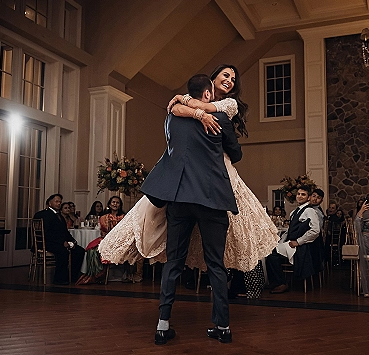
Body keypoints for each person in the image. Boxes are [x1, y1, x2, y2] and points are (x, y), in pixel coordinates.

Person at [99, 65, 278, 292]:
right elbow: (174, 110)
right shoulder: (195, 99)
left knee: (233, 227)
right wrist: (196, 112)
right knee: (155, 214)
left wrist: (192, 105)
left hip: (217, 169)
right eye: (225, 75)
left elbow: (195, 106)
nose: (230, 80)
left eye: (234, 78)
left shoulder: (228, 105)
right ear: (212, 79)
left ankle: (229, 279)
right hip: (187, 169)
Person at [140, 73, 242, 345]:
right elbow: (237, 154)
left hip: (180, 199)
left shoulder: (173, 116)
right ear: (208, 95)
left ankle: (163, 325)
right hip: (212, 200)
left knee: (174, 262)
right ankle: (223, 327)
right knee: (216, 266)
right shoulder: (221, 119)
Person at [266, 187, 321, 294]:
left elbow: (315, 230)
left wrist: (299, 241)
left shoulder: (309, 211)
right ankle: (276, 281)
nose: (300, 196)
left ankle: (282, 283)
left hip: (301, 247)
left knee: (272, 254)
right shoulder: (295, 211)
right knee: (268, 251)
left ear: (309, 197)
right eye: (299, 194)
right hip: (291, 243)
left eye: (303, 194)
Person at [33, 194, 85, 285]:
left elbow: (65, 232)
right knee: (63, 251)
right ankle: (59, 278)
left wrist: (73, 241)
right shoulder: (43, 214)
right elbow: (47, 233)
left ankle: (72, 276)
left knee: (79, 251)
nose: (59, 203)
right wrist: (62, 242)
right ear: (50, 203)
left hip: (58, 242)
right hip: (48, 242)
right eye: (56, 201)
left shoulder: (59, 215)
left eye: (60, 202)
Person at [76, 196, 125, 285]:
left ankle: (101, 275)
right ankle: (95, 274)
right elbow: (102, 231)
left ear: (120, 205)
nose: (115, 204)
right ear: (109, 204)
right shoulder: (103, 217)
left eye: (117, 202)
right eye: (113, 202)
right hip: (106, 239)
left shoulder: (123, 217)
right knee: (92, 250)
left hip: (119, 241)